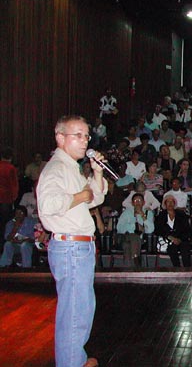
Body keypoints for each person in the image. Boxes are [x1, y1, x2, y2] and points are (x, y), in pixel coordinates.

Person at [37, 115, 108, 367]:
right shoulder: (56, 168)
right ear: (60, 137)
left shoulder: (70, 168)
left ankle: (75, 360)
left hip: (77, 247)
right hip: (71, 248)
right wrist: (80, 195)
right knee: (75, 314)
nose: (84, 140)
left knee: (80, 309)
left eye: (86, 135)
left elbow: (94, 198)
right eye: (77, 135)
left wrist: (97, 173)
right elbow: (48, 204)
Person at [116, 193, 155, 267]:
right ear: (132, 203)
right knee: (134, 237)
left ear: (143, 202)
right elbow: (119, 228)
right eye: (135, 200)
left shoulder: (148, 213)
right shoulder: (126, 213)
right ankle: (137, 262)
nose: (137, 202)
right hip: (125, 237)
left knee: (127, 246)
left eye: (139, 200)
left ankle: (129, 269)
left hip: (139, 240)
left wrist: (142, 215)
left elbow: (151, 229)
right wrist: (135, 226)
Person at [155, 195, 192, 267]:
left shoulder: (181, 214)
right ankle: (177, 269)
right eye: (168, 202)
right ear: (165, 204)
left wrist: (180, 239)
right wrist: (169, 237)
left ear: (175, 204)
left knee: (185, 248)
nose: (170, 203)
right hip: (168, 240)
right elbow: (158, 230)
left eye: (172, 202)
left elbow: (187, 230)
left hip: (181, 239)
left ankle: (188, 270)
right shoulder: (161, 215)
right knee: (172, 249)